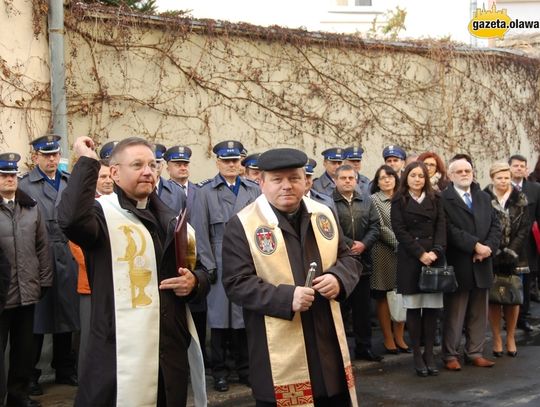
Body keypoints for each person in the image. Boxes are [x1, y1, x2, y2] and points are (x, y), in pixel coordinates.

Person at [58, 136, 209, 407]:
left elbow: (203, 269)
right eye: (137, 165)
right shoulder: (101, 216)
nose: (148, 171)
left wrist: (194, 281)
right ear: (114, 172)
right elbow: (70, 220)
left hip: (169, 355)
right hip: (118, 356)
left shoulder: (172, 218)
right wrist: (87, 163)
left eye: (153, 165)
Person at [222, 148, 359, 407]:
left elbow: (349, 258)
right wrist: (286, 297)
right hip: (277, 358)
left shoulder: (324, 215)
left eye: (295, 178)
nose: (287, 186)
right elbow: (236, 283)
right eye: (277, 179)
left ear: (307, 181)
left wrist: (339, 278)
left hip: (329, 351)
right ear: (261, 182)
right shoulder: (242, 225)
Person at [191, 140, 260, 392]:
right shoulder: (205, 192)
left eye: (235, 160)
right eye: (226, 160)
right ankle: (219, 372)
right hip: (218, 259)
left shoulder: (254, 190)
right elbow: (200, 232)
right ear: (217, 162)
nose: (231, 165)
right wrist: (208, 265)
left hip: (247, 259)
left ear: (241, 161)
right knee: (219, 320)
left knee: (244, 318)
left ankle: (245, 368)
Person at [18, 134, 79, 395]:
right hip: (38, 253)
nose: (52, 159)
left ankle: (65, 368)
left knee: (67, 315)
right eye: (46, 155)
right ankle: (30, 374)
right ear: (36, 157)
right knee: (38, 319)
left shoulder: (68, 181)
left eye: (55, 155)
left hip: (68, 252)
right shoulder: (25, 185)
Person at [0, 152, 52, 407]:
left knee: (23, 350)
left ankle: (18, 396)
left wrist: (44, 280)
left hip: (27, 291)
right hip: (2, 293)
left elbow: (43, 247)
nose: (10, 179)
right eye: (4, 175)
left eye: (12, 175)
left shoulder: (31, 207)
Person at [441, 158, 501, 371]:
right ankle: (450, 354)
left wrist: (488, 248)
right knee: (455, 313)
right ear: (450, 175)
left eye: (468, 170)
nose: (465, 174)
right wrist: (474, 246)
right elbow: (449, 230)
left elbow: (496, 225)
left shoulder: (483, 197)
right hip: (459, 263)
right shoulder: (443, 199)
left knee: (479, 312)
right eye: (459, 171)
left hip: (483, 263)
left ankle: (475, 352)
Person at [391, 162, 446, 377]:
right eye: (413, 175)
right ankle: (416, 354)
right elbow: (399, 229)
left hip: (434, 258)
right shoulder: (399, 200)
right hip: (411, 259)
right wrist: (420, 254)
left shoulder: (436, 198)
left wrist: (436, 251)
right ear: (406, 178)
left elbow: (441, 226)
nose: (417, 179)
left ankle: (430, 354)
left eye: (421, 176)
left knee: (432, 311)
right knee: (414, 310)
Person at [332, 165, 382, 362]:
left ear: (356, 180)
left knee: (363, 310)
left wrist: (364, 244)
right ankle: (341, 352)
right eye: (343, 178)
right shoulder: (329, 202)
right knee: (342, 310)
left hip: (363, 262)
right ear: (335, 180)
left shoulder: (366, 201)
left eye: (351, 178)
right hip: (340, 263)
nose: (347, 181)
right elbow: (331, 228)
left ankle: (364, 348)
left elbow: (375, 226)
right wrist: (349, 244)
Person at [70, 159, 113, 379]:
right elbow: (76, 246)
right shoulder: (87, 206)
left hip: (117, 283)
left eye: (109, 176)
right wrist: (103, 266)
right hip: (90, 283)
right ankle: (87, 380)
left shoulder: (119, 205)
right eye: (102, 177)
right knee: (89, 336)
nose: (107, 181)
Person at [484, 162, 530, 358]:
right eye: (499, 178)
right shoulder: (484, 197)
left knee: (513, 298)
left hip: (516, 256)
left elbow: (524, 229)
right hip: (491, 253)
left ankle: (510, 336)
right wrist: (494, 249)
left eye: (506, 177)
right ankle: (496, 338)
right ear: (492, 178)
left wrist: (511, 252)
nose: (503, 181)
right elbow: (483, 225)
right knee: (494, 298)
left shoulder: (520, 199)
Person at [369, 165, 409, 354]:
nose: (386, 180)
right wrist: (401, 244)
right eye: (382, 178)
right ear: (377, 182)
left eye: (390, 177)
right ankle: (388, 338)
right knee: (384, 296)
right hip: (383, 253)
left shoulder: (403, 198)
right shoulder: (374, 200)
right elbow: (380, 227)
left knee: (401, 295)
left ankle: (399, 336)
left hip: (405, 253)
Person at [509, 154, 540, 331]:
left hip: (529, 245)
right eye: (516, 166)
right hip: (508, 243)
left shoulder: (535, 189)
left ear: (526, 169)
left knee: (527, 282)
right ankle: (507, 317)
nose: (519, 168)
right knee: (506, 281)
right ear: (510, 168)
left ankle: (523, 318)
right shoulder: (503, 186)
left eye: (522, 166)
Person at [164, 145, 196, 219]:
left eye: (186, 165)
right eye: (178, 165)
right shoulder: (161, 191)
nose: (183, 168)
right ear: (168, 169)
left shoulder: (200, 191)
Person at [154, 144, 186, 215]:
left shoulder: (178, 192)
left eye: (157, 162)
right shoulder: (133, 189)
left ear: (162, 165)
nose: (154, 167)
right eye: (150, 163)